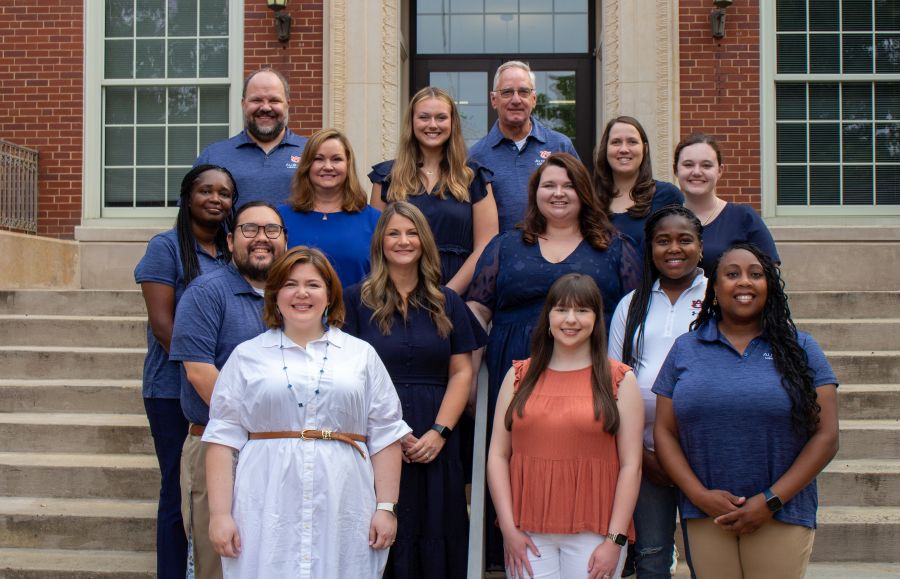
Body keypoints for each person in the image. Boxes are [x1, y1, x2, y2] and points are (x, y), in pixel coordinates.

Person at [467, 152, 639, 570]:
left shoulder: (613, 247)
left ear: (583, 192)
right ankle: (513, 545)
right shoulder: (507, 244)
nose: (558, 194)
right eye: (549, 185)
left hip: (592, 378)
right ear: (534, 193)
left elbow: (635, 315)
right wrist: (470, 377)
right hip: (516, 373)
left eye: (568, 185)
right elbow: (478, 309)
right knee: (517, 464)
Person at [204, 246, 411, 578]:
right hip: (264, 498)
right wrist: (219, 514)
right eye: (290, 284)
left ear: (329, 294)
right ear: (274, 296)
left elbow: (386, 434)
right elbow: (222, 438)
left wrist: (386, 508)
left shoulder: (361, 356)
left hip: (344, 497)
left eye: (313, 284)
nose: (301, 293)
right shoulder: (247, 356)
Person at [652, 243, 839, 579]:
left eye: (756, 274)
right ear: (715, 286)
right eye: (732, 274)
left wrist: (770, 501)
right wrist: (699, 495)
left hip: (781, 512)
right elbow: (664, 432)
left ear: (769, 285)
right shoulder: (686, 348)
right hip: (707, 513)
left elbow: (826, 437)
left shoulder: (802, 347)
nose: (744, 282)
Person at [342, 202, 487, 579]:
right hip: (376, 435)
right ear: (380, 243)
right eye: (393, 233)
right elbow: (346, 374)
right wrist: (390, 433)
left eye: (411, 233)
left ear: (424, 242)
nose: (403, 241)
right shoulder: (355, 300)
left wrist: (439, 432)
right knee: (383, 528)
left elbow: (460, 373)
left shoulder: (447, 302)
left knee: (438, 528)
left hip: (436, 433)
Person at [487, 273, 643, 579]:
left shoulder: (620, 379)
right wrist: (507, 528)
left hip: (595, 533)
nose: (571, 319)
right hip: (527, 531)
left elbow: (631, 465)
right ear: (548, 317)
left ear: (596, 319)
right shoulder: (518, 376)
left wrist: (615, 540)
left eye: (582, 310)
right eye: (561, 309)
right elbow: (497, 456)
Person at [169, 201, 288, 579]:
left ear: (285, 239)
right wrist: (262, 425)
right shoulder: (206, 293)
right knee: (218, 562)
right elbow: (200, 373)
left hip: (281, 450)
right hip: (217, 447)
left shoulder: (298, 297)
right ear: (231, 239)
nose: (261, 239)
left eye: (271, 230)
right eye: (249, 229)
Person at [133, 165, 236, 579]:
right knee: (177, 491)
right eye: (205, 191)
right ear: (187, 197)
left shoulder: (231, 251)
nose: (215, 199)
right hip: (172, 390)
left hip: (219, 386)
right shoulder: (167, 248)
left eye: (225, 193)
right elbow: (164, 328)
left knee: (212, 493)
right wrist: (203, 375)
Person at [608, 205, 706, 578]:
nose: (674, 249)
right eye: (663, 241)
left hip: (704, 457)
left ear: (700, 245)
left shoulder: (717, 297)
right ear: (650, 248)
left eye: (685, 240)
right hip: (645, 455)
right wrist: (640, 454)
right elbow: (613, 380)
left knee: (706, 556)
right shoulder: (631, 304)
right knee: (651, 555)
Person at [369, 86, 499, 295]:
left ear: (452, 123)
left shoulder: (474, 177)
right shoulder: (386, 178)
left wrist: (449, 294)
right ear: (411, 122)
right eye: (424, 117)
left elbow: (487, 245)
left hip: (459, 294)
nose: (432, 125)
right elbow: (376, 243)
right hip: (399, 294)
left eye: (441, 118)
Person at [468, 60, 579, 233]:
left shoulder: (560, 145)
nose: (516, 100)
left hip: (557, 255)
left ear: (533, 99)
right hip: (501, 258)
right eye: (507, 92)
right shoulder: (475, 157)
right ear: (493, 100)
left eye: (523, 92)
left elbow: (582, 202)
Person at [278, 128, 381, 287]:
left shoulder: (374, 220)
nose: (327, 166)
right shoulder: (280, 218)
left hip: (357, 311)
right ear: (307, 165)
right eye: (318, 159)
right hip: (297, 310)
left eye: (336, 159)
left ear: (348, 165)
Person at [195, 68, 307, 207]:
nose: (265, 107)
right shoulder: (213, 156)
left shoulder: (311, 152)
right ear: (243, 104)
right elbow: (188, 218)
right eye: (256, 100)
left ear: (287, 105)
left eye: (274, 100)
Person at [674, 133, 779, 272]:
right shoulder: (664, 219)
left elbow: (770, 276)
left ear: (720, 171)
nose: (697, 172)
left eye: (706, 165)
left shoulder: (743, 217)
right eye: (688, 165)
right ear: (675, 170)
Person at [593, 116, 684, 249]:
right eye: (616, 142)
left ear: (645, 148)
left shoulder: (668, 196)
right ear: (605, 148)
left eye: (632, 142)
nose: (624, 149)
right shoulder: (588, 198)